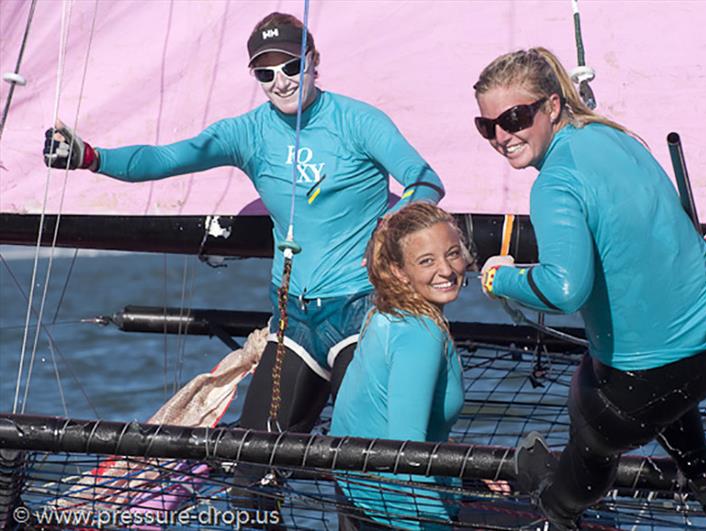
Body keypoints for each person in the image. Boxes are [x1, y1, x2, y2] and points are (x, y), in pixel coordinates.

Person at [43, 11, 445, 512]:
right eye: (265, 72)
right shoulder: (249, 132)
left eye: (291, 66)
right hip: (294, 320)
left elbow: (425, 179)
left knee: (361, 465)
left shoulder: (358, 121)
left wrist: (395, 221)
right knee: (251, 473)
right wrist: (88, 156)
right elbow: (167, 158)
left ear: (314, 61)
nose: (280, 81)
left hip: (359, 313)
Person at [473, 48, 706, 530]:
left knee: (591, 409)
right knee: (658, 384)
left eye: (514, 117)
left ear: (551, 106)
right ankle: (705, 478)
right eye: (486, 125)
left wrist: (500, 278)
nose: (501, 135)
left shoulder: (554, 183)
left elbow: (565, 290)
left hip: (646, 382)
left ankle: (559, 508)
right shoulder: (612, 134)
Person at [329, 202, 469, 530]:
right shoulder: (423, 333)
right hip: (399, 512)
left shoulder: (385, 314)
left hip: (356, 496)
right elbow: (405, 451)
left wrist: (464, 464)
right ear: (398, 271)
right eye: (426, 261)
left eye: (452, 253)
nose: (446, 270)